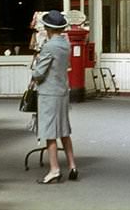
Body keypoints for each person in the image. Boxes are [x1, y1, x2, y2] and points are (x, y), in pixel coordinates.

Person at [33, 10, 79, 184]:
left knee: (50, 132)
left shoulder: (49, 46)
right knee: (64, 130)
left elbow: (39, 73)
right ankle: (72, 165)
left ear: (48, 28)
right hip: (62, 90)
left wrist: (35, 68)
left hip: (49, 92)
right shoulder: (65, 44)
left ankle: (54, 169)